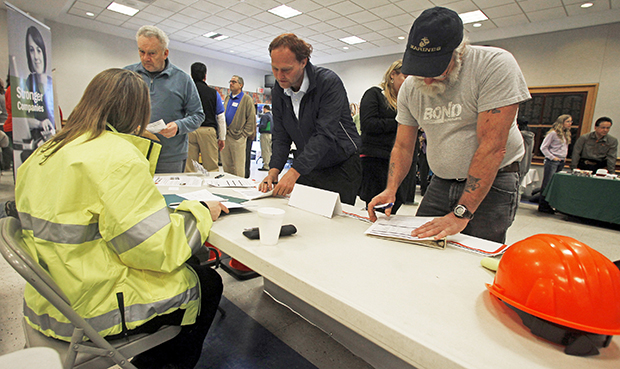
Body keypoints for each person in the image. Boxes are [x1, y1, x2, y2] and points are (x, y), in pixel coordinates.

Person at [15, 69, 228, 369]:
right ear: (138, 113)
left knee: (188, 266)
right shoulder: (118, 156)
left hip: (50, 299)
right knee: (207, 282)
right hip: (91, 307)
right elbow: (156, 249)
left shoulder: (45, 151)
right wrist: (201, 211)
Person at [368, 7, 530, 244]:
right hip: (442, 182)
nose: (427, 79)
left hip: (495, 180)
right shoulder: (411, 88)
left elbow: (492, 146)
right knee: (421, 245)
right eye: (421, 70)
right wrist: (391, 189)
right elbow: (403, 146)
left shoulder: (494, 65)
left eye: (435, 69)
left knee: (472, 253)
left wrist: (461, 213)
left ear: (459, 51)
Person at [259, 33, 362, 205]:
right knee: (303, 219)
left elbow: (324, 134)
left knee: (333, 225)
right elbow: (281, 134)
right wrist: (273, 170)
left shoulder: (328, 82)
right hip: (309, 164)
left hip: (340, 164)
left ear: (303, 62)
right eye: (274, 68)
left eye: (286, 69)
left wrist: (294, 172)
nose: (279, 75)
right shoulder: (279, 89)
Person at [125, 25, 204, 173]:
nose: (145, 58)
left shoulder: (183, 79)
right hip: (132, 152)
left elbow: (198, 115)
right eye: (141, 52)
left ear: (165, 53)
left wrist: (179, 126)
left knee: (169, 196)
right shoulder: (127, 75)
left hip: (170, 157)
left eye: (152, 53)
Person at [359, 60, 409, 213]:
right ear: (393, 75)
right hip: (375, 159)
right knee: (378, 206)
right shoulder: (374, 94)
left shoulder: (405, 101)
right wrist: (402, 123)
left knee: (397, 200)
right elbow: (368, 124)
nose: (408, 83)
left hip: (399, 158)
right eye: (405, 77)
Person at [19, 26, 56, 163]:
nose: (36, 57)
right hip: (36, 142)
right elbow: (22, 119)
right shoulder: (26, 85)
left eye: (39, 50)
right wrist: (40, 123)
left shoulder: (51, 85)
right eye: (31, 50)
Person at [185, 62, 226, 173]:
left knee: (189, 167)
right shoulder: (213, 93)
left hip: (190, 130)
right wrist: (222, 137)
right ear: (205, 76)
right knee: (211, 167)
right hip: (208, 131)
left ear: (191, 75)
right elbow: (220, 117)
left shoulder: (187, 92)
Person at [222, 75, 256, 177]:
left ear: (240, 85)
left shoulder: (246, 99)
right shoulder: (228, 98)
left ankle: (238, 187)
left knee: (239, 166)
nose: (231, 83)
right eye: (230, 81)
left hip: (238, 137)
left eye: (234, 82)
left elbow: (251, 119)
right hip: (226, 136)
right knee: (226, 166)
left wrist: (244, 134)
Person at [538, 114, 572, 213]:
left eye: (571, 122)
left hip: (561, 160)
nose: (570, 124)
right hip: (552, 161)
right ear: (562, 122)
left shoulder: (566, 134)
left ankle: (550, 204)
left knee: (554, 184)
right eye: (568, 121)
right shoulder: (553, 133)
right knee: (547, 183)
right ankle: (543, 205)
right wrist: (553, 157)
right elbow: (543, 147)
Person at [258, 104, 273, 171]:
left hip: (265, 134)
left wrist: (258, 125)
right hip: (271, 135)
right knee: (269, 150)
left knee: (265, 150)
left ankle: (266, 166)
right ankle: (270, 164)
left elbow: (263, 125)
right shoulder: (271, 116)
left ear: (264, 109)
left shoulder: (265, 116)